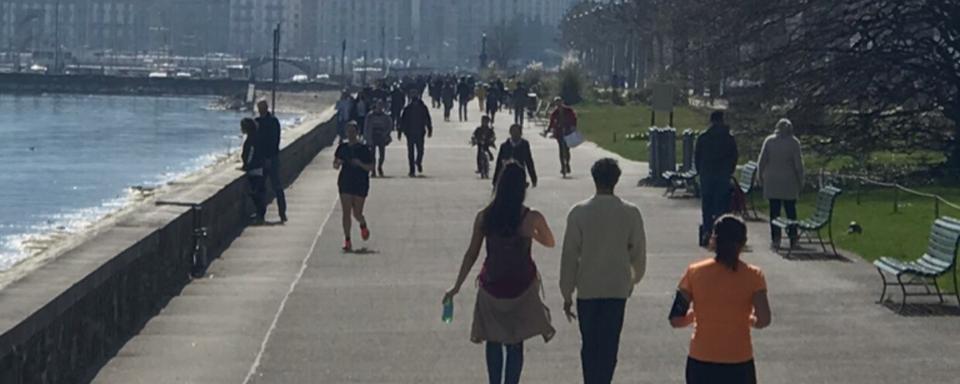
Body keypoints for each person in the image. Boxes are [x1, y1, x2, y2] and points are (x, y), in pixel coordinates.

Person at [443, 163, 556, 384]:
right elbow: (550, 241)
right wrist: (532, 234)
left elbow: (471, 254)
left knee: (493, 340)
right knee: (515, 342)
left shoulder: (485, 217)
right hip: (521, 288)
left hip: (492, 287)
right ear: (522, 188)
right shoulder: (530, 217)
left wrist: (456, 286)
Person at [560, 158, 646, 384]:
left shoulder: (578, 213)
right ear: (616, 180)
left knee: (590, 344)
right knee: (609, 345)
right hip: (616, 288)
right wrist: (633, 279)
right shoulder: (630, 213)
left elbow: (569, 255)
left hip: (588, 288)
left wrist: (566, 292)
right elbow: (638, 252)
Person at [669, 215, 772, 384]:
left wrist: (696, 314)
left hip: (702, 359)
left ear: (713, 239)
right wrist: (748, 319)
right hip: (739, 360)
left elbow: (675, 319)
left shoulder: (694, 272)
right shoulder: (754, 276)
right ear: (743, 242)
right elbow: (764, 320)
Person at [757, 118, 804, 249]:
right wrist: (801, 180)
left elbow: (762, 160)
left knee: (774, 211)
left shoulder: (769, 141)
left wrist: (760, 176)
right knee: (790, 211)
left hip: (772, 180)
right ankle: (793, 238)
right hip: (788, 181)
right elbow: (798, 165)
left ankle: (776, 238)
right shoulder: (794, 143)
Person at [694, 111, 739, 246]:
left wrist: (700, 171)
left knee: (707, 205)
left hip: (707, 175)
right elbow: (734, 156)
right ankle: (720, 233)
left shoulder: (703, 137)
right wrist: (729, 170)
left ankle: (707, 231)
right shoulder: (729, 138)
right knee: (721, 205)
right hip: (722, 176)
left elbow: (697, 156)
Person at [334, 121, 375, 252]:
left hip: (360, 182)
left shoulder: (363, 149)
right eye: (349, 131)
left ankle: (362, 224)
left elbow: (371, 167)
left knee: (356, 213)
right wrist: (338, 163)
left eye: (353, 131)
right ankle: (347, 240)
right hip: (345, 181)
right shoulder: (342, 148)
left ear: (357, 133)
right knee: (346, 212)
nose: (351, 134)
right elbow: (335, 165)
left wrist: (360, 164)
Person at [255, 100, 287, 223]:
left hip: (271, 159)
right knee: (261, 188)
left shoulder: (273, 122)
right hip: (261, 159)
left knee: (277, 186)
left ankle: (282, 213)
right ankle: (261, 214)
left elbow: (275, 141)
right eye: (259, 107)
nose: (259, 109)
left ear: (266, 108)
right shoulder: (257, 122)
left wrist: (269, 157)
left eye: (261, 107)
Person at [398, 90, 433, 177]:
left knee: (420, 150)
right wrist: (400, 131)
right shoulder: (407, 109)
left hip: (420, 132)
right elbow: (402, 121)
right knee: (410, 152)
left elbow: (427, 119)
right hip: (410, 133)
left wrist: (429, 129)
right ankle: (412, 169)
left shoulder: (423, 108)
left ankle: (418, 162)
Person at [493, 124, 538, 188]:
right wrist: (495, 181)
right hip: (506, 176)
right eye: (513, 132)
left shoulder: (524, 145)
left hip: (520, 175)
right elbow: (499, 164)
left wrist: (533, 178)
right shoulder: (504, 146)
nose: (515, 135)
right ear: (510, 133)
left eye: (517, 132)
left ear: (521, 133)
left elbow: (529, 161)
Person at [240, 118, 266, 224]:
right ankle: (260, 215)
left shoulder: (251, 139)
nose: (241, 129)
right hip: (258, 167)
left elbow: (250, 154)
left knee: (256, 194)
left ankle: (260, 216)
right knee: (258, 193)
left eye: (242, 127)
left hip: (254, 169)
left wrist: (247, 165)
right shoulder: (256, 137)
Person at [546, 97, 577, 177]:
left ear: (562, 102)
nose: (558, 104)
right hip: (559, 133)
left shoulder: (568, 110)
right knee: (561, 149)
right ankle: (563, 166)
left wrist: (573, 126)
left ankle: (567, 163)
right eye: (556, 103)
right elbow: (551, 122)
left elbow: (574, 118)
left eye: (559, 102)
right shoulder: (554, 113)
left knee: (567, 149)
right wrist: (548, 130)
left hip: (567, 131)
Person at [364, 100, 394, 177]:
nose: (380, 107)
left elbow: (390, 125)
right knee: (372, 155)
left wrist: (386, 133)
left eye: (381, 106)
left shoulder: (386, 116)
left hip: (381, 136)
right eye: (378, 105)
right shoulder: (370, 116)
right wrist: (366, 137)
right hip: (372, 136)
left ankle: (380, 166)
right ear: (376, 106)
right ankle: (373, 170)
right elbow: (366, 127)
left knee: (382, 154)